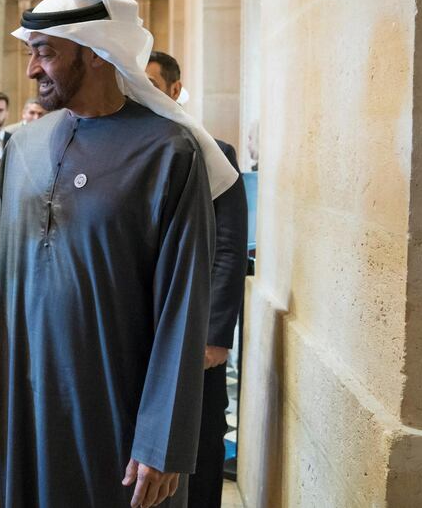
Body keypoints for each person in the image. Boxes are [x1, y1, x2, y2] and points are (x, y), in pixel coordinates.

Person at [0, 0, 238, 508]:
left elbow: (184, 305)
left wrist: (162, 438)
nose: (31, 69)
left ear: (95, 53)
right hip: (28, 392)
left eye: (44, 53)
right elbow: (5, 264)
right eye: (30, 53)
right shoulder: (22, 145)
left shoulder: (168, 152)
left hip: (119, 398)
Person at [148, 50, 248, 508]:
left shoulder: (216, 153)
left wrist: (214, 334)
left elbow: (228, 249)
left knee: (202, 437)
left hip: (195, 331)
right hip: (144, 328)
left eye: (152, 83)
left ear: (174, 90)